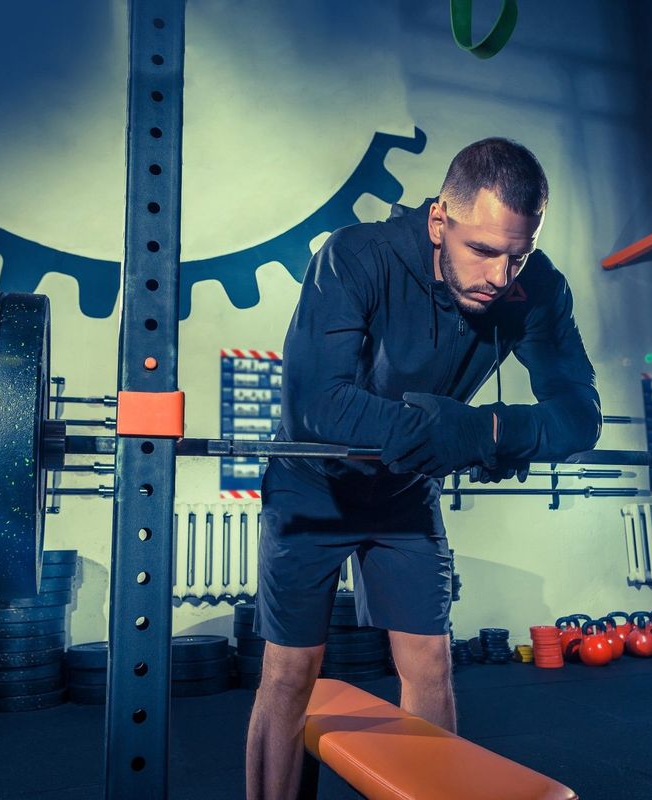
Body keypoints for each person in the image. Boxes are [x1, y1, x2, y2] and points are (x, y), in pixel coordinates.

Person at [244, 137, 601, 799]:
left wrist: (488, 430)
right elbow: (319, 402)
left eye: (516, 255)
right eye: (483, 251)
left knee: (431, 667)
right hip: (310, 487)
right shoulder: (354, 256)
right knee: (291, 673)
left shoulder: (536, 288)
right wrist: (454, 438)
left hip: (405, 494)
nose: (500, 275)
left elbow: (580, 415)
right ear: (440, 220)